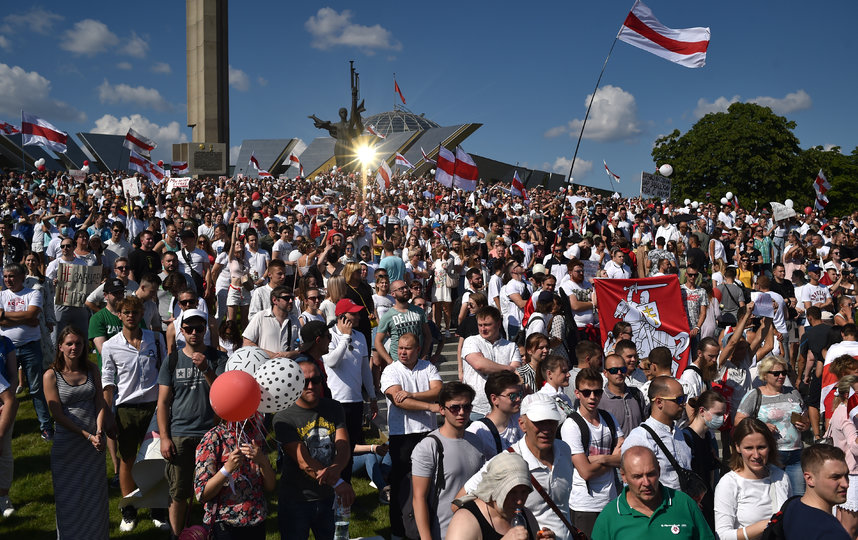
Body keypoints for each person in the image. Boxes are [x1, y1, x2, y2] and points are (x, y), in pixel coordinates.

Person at [461, 392, 574, 540]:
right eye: (539, 422)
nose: (546, 429)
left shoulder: (564, 450)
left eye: (551, 421)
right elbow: (460, 502)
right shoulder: (507, 461)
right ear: (522, 424)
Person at [157, 308, 226, 537]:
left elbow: (223, 395)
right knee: (179, 490)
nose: (194, 333)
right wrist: (165, 438)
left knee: (214, 488)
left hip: (212, 433)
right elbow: (164, 402)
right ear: (182, 332)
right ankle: (177, 535)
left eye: (199, 328)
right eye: (189, 329)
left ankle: (212, 531)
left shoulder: (218, 358)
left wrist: (206, 369)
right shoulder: (173, 360)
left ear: (205, 330)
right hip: (180, 433)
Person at [101, 295, 166, 531]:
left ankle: (158, 508)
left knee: (156, 460)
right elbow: (108, 381)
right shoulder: (110, 345)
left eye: (135, 312)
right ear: (119, 315)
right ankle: (129, 510)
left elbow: (164, 373)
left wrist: (164, 405)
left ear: (142, 314)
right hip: (126, 409)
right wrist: (108, 413)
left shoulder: (156, 339)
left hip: (153, 407)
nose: (131, 316)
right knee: (127, 461)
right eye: (126, 312)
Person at [274, 360, 355, 540]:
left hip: (328, 499)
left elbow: (342, 445)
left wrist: (335, 469)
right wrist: (338, 482)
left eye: (316, 380)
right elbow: (304, 461)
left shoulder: (334, 407)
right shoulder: (283, 417)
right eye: (304, 382)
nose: (311, 386)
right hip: (296, 500)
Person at [43, 326, 110, 539]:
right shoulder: (51, 375)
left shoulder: (91, 370)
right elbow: (57, 414)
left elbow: (99, 400)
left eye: (78, 343)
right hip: (68, 445)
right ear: (60, 346)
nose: (74, 347)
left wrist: (99, 431)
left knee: (95, 496)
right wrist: (86, 435)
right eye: (69, 343)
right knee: (69, 499)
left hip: (94, 444)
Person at [379, 332, 442, 540]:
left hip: (428, 433)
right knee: (401, 486)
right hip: (402, 435)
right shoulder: (390, 371)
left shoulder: (428, 367)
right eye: (400, 348)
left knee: (431, 483)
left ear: (417, 350)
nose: (402, 352)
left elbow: (438, 390)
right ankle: (399, 532)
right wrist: (430, 407)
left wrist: (412, 394)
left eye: (407, 349)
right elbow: (399, 401)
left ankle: (428, 528)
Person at [591, 446, 715, 540]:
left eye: (651, 474)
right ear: (623, 476)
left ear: (659, 470)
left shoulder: (684, 504)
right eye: (637, 476)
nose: (646, 482)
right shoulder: (609, 517)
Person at [411, 381, 485, 539]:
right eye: (455, 407)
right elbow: (419, 498)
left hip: (476, 529)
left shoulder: (476, 441)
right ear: (442, 410)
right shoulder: (428, 447)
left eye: (467, 407)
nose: (461, 412)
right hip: (443, 532)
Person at [560, 367, 624, 536]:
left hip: (610, 500)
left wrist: (600, 459)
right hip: (584, 505)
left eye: (597, 392)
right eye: (586, 392)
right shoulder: (572, 425)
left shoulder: (609, 418)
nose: (592, 397)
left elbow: (624, 458)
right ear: (577, 393)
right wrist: (612, 459)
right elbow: (585, 472)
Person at [734, 354, 809, 495]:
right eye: (776, 373)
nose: (781, 376)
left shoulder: (793, 392)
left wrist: (805, 424)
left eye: (784, 373)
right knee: (774, 494)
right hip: (771, 454)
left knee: (797, 496)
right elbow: (738, 421)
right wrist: (760, 427)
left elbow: (805, 414)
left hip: (796, 453)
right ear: (765, 375)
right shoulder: (755, 395)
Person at [194, 413, 276, 539]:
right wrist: (227, 469)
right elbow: (202, 494)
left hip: (256, 521)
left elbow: (270, 486)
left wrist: (263, 461)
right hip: (224, 524)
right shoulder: (213, 437)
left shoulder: (255, 436)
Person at [325, 297, 378, 481]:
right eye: (353, 313)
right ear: (341, 317)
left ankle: (345, 487)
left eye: (357, 313)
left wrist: (371, 396)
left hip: (355, 400)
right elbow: (332, 362)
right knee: (334, 448)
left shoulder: (361, 336)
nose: (358, 316)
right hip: (335, 401)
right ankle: (332, 487)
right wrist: (345, 337)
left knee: (350, 448)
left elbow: (365, 369)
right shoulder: (329, 335)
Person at [712, 417, 790, 540]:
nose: (756, 455)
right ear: (737, 447)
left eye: (761, 447)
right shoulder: (728, 483)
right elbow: (722, 535)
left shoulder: (780, 476)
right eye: (749, 448)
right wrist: (766, 525)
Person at [447, 452, 554, 540]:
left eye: (524, 492)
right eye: (512, 492)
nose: (519, 501)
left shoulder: (526, 516)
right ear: (495, 489)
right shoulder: (466, 520)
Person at [0, 263, 50, 440]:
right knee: (5, 390)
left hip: (30, 345)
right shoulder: (1, 295)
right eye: (5, 276)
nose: (8, 280)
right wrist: (26, 318)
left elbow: (32, 315)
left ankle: (45, 425)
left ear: (22, 277)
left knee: (36, 388)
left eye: (12, 276)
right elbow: (28, 317)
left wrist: (5, 316)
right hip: (5, 348)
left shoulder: (33, 293)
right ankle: (6, 427)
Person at [621, 375, 692, 492]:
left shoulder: (679, 433)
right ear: (659, 402)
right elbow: (631, 487)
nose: (683, 404)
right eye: (679, 400)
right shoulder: (640, 439)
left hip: (683, 505)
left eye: (684, 398)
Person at [462, 306, 522, 419]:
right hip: (476, 408)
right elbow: (480, 365)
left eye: (487, 325)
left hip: (504, 408)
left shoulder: (511, 346)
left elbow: (515, 374)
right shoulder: (471, 341)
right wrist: (509, 368)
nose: (483, 329)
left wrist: (491, 366)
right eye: (480, 325)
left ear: (499, 324)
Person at [782, 444, 851, 540]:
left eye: (846, 476)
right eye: (835, 477)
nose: (845, 484)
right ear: (809, 478)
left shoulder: (792, 506)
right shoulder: (832, 533)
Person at [683, 390, 727, 531]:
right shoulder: (686, 437)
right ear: (702, 410)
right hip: (695, 504)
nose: (722, 418)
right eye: (718, 414)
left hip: (708, 500)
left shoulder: (707, 436)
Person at [825, 374, 858, 536]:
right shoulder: (848, 415)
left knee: (841, 527)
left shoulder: (840, 410)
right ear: (847, 395)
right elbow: (855, 446)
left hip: (845, 473)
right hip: (852, 476)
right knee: (848, 529)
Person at [465, 371, 524, 457]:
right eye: (512, 396)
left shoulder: (521, 420)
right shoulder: (478, 430)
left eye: (520, 394)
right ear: (494, 399)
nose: (518, 399)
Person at [374, 279, 432, 366]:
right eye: (401, 289)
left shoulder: (419, 311)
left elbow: (428, 336)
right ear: (393, 294)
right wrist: (391, 362)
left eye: (406, 287)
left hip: (418, 361)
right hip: (398, 362)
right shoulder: (388, 316)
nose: (405, 290)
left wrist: (423, 357)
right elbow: (378, 341)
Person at [242, 286, 302, 357]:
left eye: (292, 298)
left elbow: (303, 346)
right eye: (286, 298)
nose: (291, 301)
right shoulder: (261, 316)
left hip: (287, 365)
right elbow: (247, 343)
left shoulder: (295, 320)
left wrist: (289, 354)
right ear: (274, 300)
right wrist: (271, 355)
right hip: (265, 365)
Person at [600, 353, 646, 436]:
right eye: (614, 370)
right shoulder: (600, 399)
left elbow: (645, 421)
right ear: (605, 373)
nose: (619, 373)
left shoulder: (637, 394)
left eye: (623, 369)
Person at [0, 336, 17, 518]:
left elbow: (13, 375)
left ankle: (3, 497)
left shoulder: (5, 342)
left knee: (4, 452)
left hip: (4, 404)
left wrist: (8, 401)